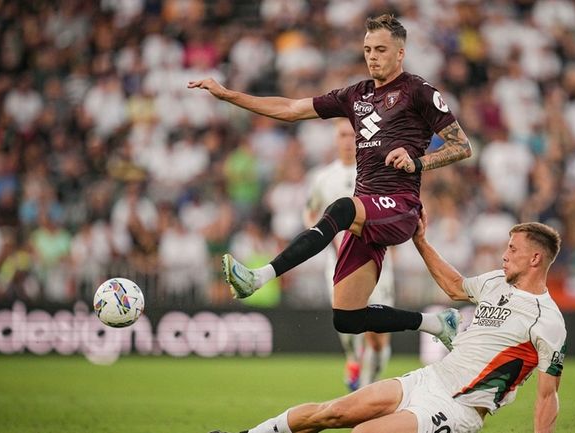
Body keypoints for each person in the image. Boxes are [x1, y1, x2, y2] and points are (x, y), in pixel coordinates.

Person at [188, 14, 472, 346]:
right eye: (367, 49)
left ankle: (258, 277)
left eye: (381, 49)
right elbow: (292, 108)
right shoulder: (356, 95)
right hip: (366, 213)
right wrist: (228, 96)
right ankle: (438, 323)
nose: (372, 56)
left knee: (340, 208)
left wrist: (417, 161)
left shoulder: (418, 91)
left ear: (400, 54)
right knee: (347, 318)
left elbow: (461, 146)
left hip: (399, 206)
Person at [212, 212, 567, 433]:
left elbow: (547, 396)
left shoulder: (546, 319)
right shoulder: (493, 282)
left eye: (513, 250)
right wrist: (421, 241)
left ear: (535, 258)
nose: (505, 254)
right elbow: (455, 286)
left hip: (457, 407)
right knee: (333, 412)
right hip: (428, 379)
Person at [304, 118, 396, 391]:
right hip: (339, 263)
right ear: (336, 139)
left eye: (352, 135)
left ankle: (369, 386)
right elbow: (309, 213)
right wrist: (323, 234)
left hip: (376, 260)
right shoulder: (322, 178)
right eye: (342, 135)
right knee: (346, 322)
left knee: (378, 336)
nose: (347, 141)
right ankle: (353, 358)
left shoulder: (377, 174)